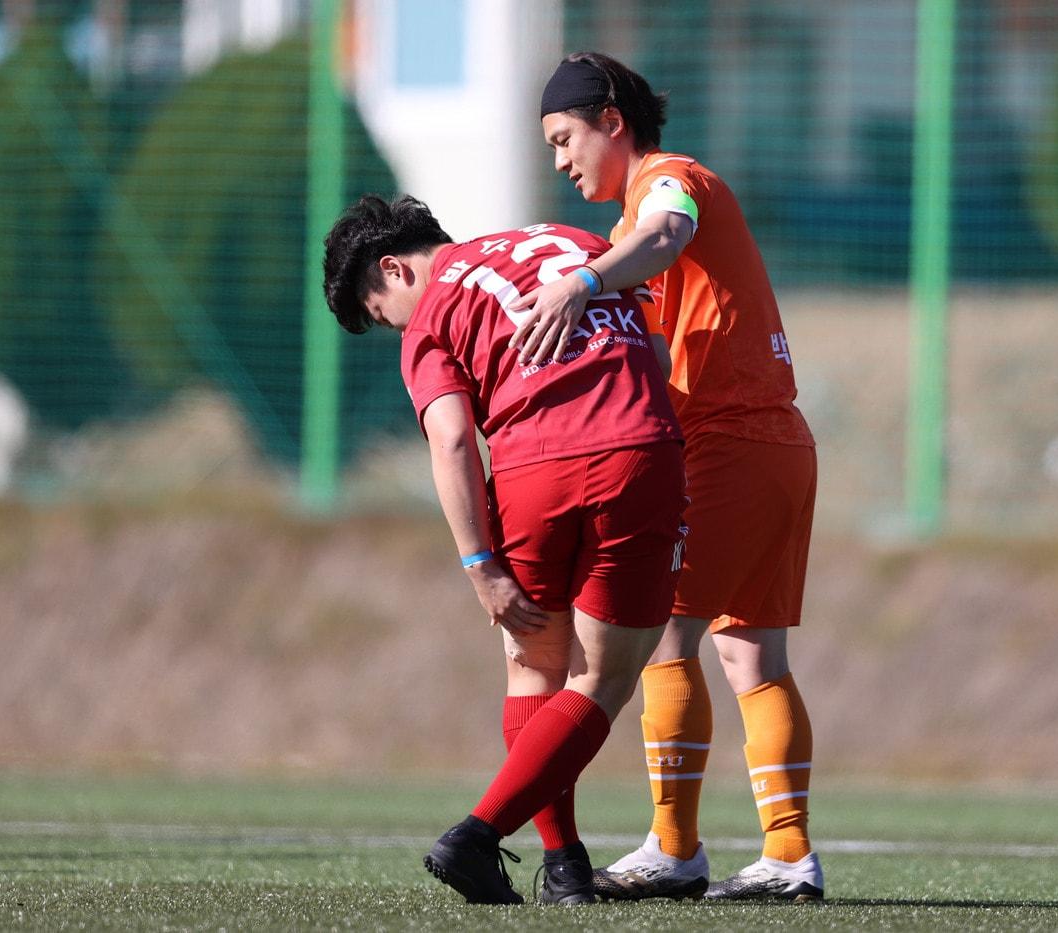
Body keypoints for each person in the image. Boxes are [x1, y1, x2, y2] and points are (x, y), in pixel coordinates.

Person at [507, 51, 822, 902]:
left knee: (661, 634)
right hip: (775, 443)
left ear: (613, 119)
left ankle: (675, 848)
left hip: (731, 439)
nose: (561, 160)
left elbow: (669, 229)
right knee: (749, 650)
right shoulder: (627, 239)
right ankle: (788, 857)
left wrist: (583, 278)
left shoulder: (668, 184)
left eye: (565, 138)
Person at [322, 193, 687, 905]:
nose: (389, 323)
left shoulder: (430, 315)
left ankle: (563, 865)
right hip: (633, 446)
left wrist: (478, 564)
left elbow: (454, 438)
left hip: (529, 471)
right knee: (602, 681)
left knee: (533, 669)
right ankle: (483, 835)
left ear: (394, 269)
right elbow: (657, 342)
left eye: (376, 311)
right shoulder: (569, 238)